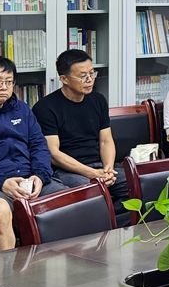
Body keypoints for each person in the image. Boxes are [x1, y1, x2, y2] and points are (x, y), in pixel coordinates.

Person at [0, 56, 66, 250]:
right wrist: (2, 182)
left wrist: (40, 175)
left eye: (9, 81)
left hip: (30, 178)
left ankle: (59, 261)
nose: (4, 87)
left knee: (70, 200)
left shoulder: (21, 109)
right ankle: (8, 268)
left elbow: (39, 145)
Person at [33, 49, 129, 224]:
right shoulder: (45, 107)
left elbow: (106, 140)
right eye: (83, 76)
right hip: (67, 170)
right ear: (64, 79)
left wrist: (108, 169)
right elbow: (54, 154)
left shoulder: (98, 100)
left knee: (136, 183)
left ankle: (117, 228)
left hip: (99, 166)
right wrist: (93, 174)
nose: (89, 80)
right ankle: (101, 230)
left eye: (92, 73)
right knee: (90, 192)